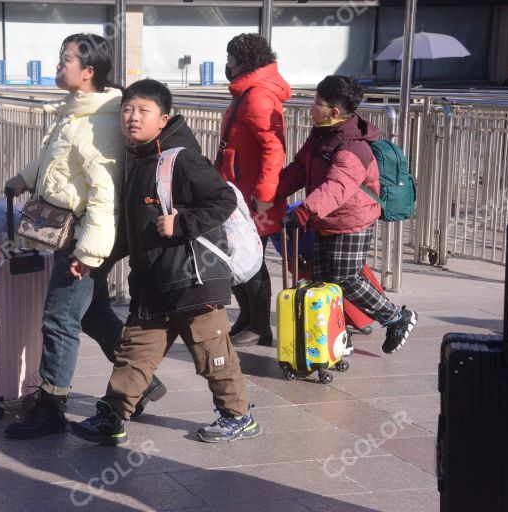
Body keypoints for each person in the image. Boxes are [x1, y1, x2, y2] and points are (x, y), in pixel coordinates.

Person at [67, 79, 261, 445]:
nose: (132, 118)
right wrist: (96, 260)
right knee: (134, 355)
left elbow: (222, 199)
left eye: (143, 111)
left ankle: (238, 416)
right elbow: (134, 230)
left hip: (193, 279)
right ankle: (112, 417)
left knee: (211, 352)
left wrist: (181, 223)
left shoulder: (180, 158)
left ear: (163, 118)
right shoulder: (139, 160)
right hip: (153, 282)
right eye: (127, 110)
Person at [3, 34, 166, 440]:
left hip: (83, 235)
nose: (59, 66)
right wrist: (25, 178)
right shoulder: (77, 111)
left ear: (88, 71)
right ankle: (139, 382)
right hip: (71, 231)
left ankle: (51, 407)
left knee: (59, 318)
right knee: (90, 313)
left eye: (65, 60)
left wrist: (88, 254)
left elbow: (104, 195)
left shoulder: (101, 124)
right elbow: (54, 155)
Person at [275, 75, 418, 355]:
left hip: (351, 221)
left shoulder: (353, 145)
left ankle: (396, 317)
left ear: (335, 112)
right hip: (327, 219)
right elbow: (298, 169)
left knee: (346, 278)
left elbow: (336, 187)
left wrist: (305, 210)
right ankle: (337, 335)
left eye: (317, 102)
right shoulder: (321, 134)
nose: (311, 107)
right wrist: (272, 192)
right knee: (323, 282)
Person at [217, 33, 291, 347]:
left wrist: (264, 196)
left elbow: (274, 149)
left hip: (253, 196)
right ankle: (248, 318)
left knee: (251, 258)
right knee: (238, 253)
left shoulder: (257, 95)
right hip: (241, 190)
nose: (227, 66)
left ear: (244, 63)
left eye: (231, 60)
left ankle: (260, 325)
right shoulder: (248, 91)